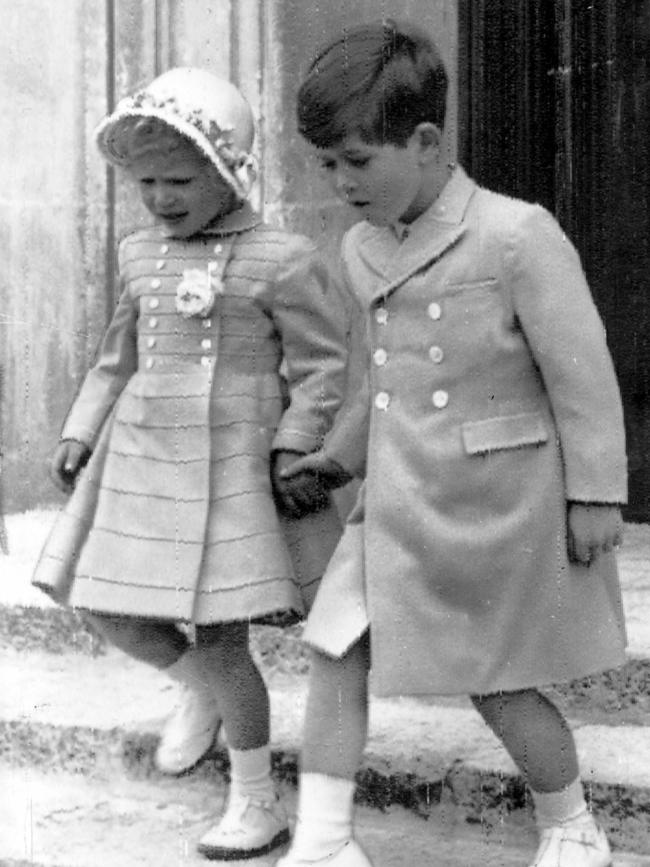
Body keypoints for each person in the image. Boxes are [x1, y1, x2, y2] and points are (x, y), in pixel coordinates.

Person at [276, 20, 627, 867]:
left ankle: (572, 824)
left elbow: (582, 374)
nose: (338, 182)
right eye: (326, 163)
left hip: (493, 501)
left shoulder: (515, 234)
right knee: (336, 647)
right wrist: (338, 457)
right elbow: (380, 381)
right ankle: (323, 843)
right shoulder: (360, 248)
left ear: (427, 141)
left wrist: (596, 494)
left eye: (357, 161)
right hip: (397, 498)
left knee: (497, 681)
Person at [32, 66, 347, 861]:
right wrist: (81, 428)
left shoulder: (282, 257)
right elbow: (115, 357)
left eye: (179, 180)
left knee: (221, 636)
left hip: (234, 471)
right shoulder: (141, 255)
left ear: (230, 168)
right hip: (142, 458)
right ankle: (196, 687)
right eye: (147, 185)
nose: (162, 199)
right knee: (100, 600)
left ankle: (255, 799)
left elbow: (323, 367)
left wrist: (296, 443)